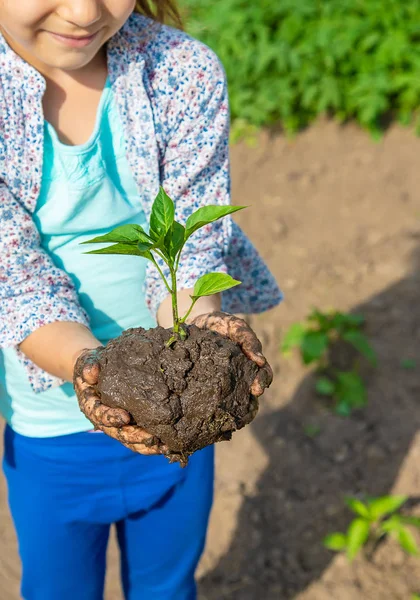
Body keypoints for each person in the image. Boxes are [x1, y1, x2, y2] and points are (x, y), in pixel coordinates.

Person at [0, 1, 282, 599]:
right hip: (51, 430)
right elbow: (13, 277)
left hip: (180, 420)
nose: (82, 11)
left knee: (166, 583)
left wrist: (203, 336)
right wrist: (93, 374)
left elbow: (188, 240)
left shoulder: (179, 71)